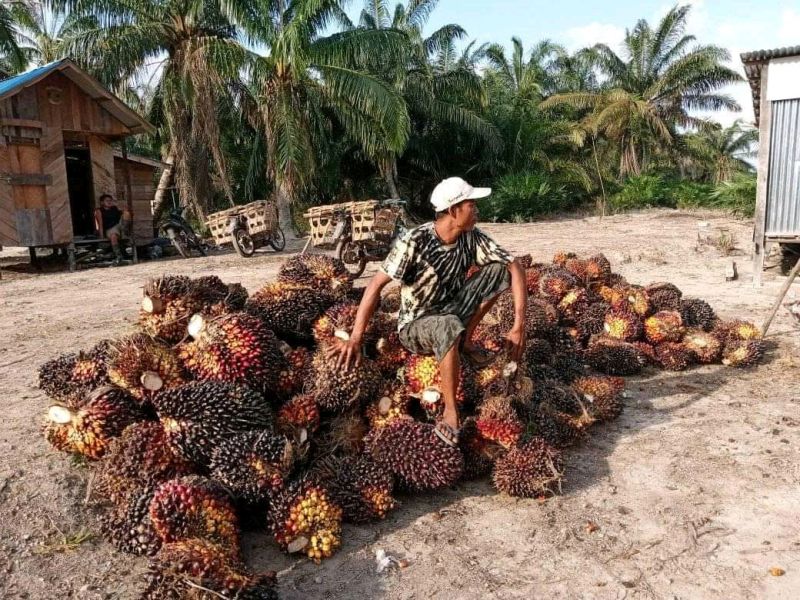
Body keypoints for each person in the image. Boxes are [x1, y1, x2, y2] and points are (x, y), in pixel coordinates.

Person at [327, 177, 528, 446]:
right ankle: (449, 411)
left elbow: (514, 266)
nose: (477, 210)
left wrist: (518, 325)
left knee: (498, 270)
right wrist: (355, 337)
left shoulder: (472, 237)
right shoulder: (415, 241)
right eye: (472, 205)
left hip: (452, 310)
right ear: (454, 211)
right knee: (446, 325)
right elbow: (374, 286)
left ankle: (464, 341)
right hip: (415, 325)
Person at [94, 194, 128, 265]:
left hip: (119, 227)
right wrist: (101, 236)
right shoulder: (99, 211)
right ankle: (118, 256)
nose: (109, 202)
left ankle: (125, 233)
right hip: (110, 229)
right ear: (102, 202)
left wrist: (125, 211)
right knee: (113, 236)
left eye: (110, 200)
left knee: (126, 214)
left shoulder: (114, 208)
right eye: (107, 201)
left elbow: (122, 215)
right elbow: (100, 224)